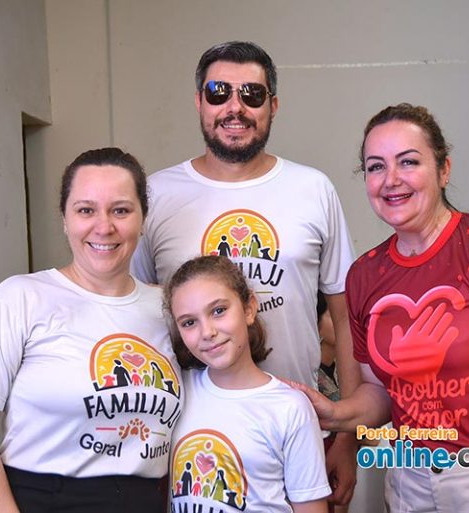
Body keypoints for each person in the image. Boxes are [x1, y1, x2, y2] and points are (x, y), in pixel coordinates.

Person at [296, 104, 469, 512]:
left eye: (408, 162)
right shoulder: (364, 275)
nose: (391, 180)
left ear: (444, 169)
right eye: (376, 167)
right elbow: (380, 393)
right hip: (408, 481)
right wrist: (336, 415)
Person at [130, 40, 360, 506]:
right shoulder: (156, 194)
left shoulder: (312, 189)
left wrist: (348, 435)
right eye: (219, 92)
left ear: (273, 105)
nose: (234, 108)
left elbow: (347, 316)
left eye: (251, 94)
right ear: (199, 102)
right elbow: (139, 317)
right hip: (189, 431)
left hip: (303, 426)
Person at [0, 148, 182, 513]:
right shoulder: (19, 298)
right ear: (65, 218)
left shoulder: (169, 307)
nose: (103, 227)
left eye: (121, 210)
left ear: (143, 219)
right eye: (86, 210)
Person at [164, 255, 330, 513]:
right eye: (189, 322)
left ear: (249, 308)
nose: (207, 332)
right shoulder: (177, 392)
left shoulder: (290, 408)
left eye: (218, 311)